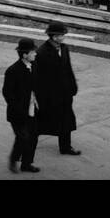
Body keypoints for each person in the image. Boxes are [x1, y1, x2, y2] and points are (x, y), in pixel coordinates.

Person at [35, 22, 80, 155]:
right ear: (53, 36)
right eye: (61, 35)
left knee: (66, 119)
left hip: (65, 92)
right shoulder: (42, 52)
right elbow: (38, 77)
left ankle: (65, 147)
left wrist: (73, 86)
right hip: (50, 95)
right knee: (43, 120)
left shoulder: (64, 48)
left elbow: (68, 68)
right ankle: (29, 142)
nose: (63, 37)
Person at [2, 38, 41, 173]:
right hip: (18, 113)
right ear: (25, 55)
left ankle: (27, 164)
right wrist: (18, 109)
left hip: (33, 110)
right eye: (33, 52)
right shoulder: (13, 71)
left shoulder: (34, 66)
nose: (35, 54)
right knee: (22, 138)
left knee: (33, 138)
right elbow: (7, 93)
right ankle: (13, 160)